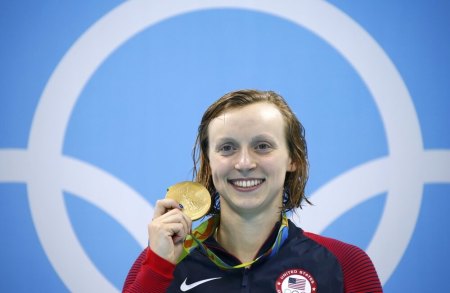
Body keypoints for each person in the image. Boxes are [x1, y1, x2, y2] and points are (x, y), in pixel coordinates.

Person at [123, 89, 383, 293]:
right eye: (227, 148)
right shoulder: (160, 262)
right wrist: (158, 267)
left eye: (262, 145)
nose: (244, 163)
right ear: (209, 162)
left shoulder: (344, 263)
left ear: (293, 159)